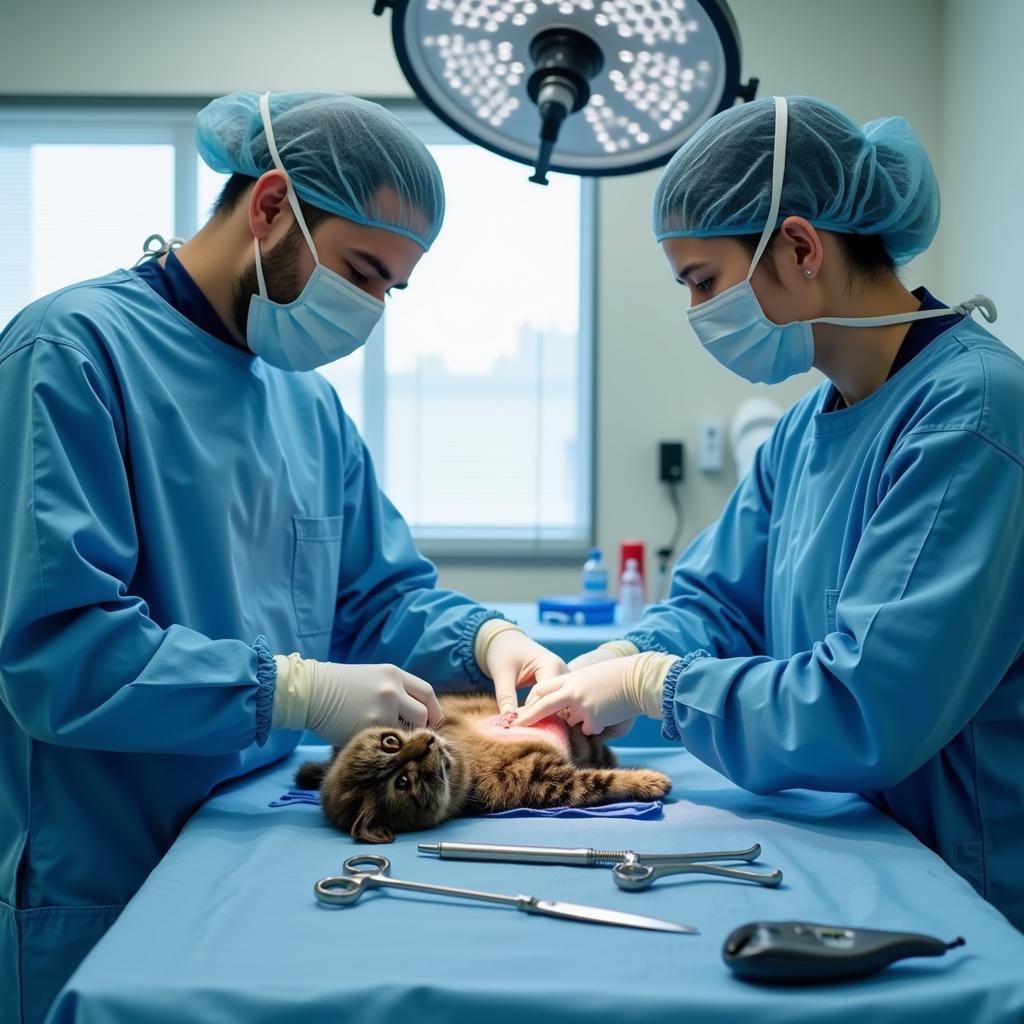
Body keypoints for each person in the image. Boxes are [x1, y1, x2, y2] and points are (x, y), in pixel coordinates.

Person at [0, 90, 565, 1023]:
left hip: (261, 857)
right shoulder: (70, 353)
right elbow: (56, 651)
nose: (374, 307)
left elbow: (378, 597)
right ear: (269, 206)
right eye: (363, 270)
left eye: (394, 286)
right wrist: (289, 692)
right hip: (108, 870)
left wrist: (489, 640)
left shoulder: (307, 409)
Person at [517, 95, 1024, 932]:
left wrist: (655, 687)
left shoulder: (973, 415)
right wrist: (625, 653)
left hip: (969, 883)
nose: (696, 313)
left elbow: (867, 709)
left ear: (798, 245)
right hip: (862, 851)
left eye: (704, 282)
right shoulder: (804, 430)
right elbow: (719, 604)